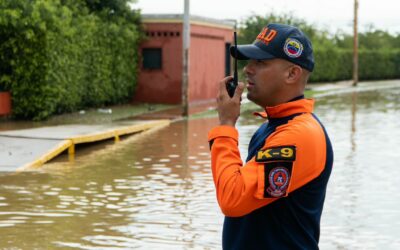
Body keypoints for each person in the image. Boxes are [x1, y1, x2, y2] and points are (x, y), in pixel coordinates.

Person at [208, 23, 333, 249]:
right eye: (249, 61)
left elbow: (232, 199)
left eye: (260, 62)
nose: (248, 69)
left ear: (292, 73)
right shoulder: (271, 126)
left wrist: (226, 125)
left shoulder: (299, 135)